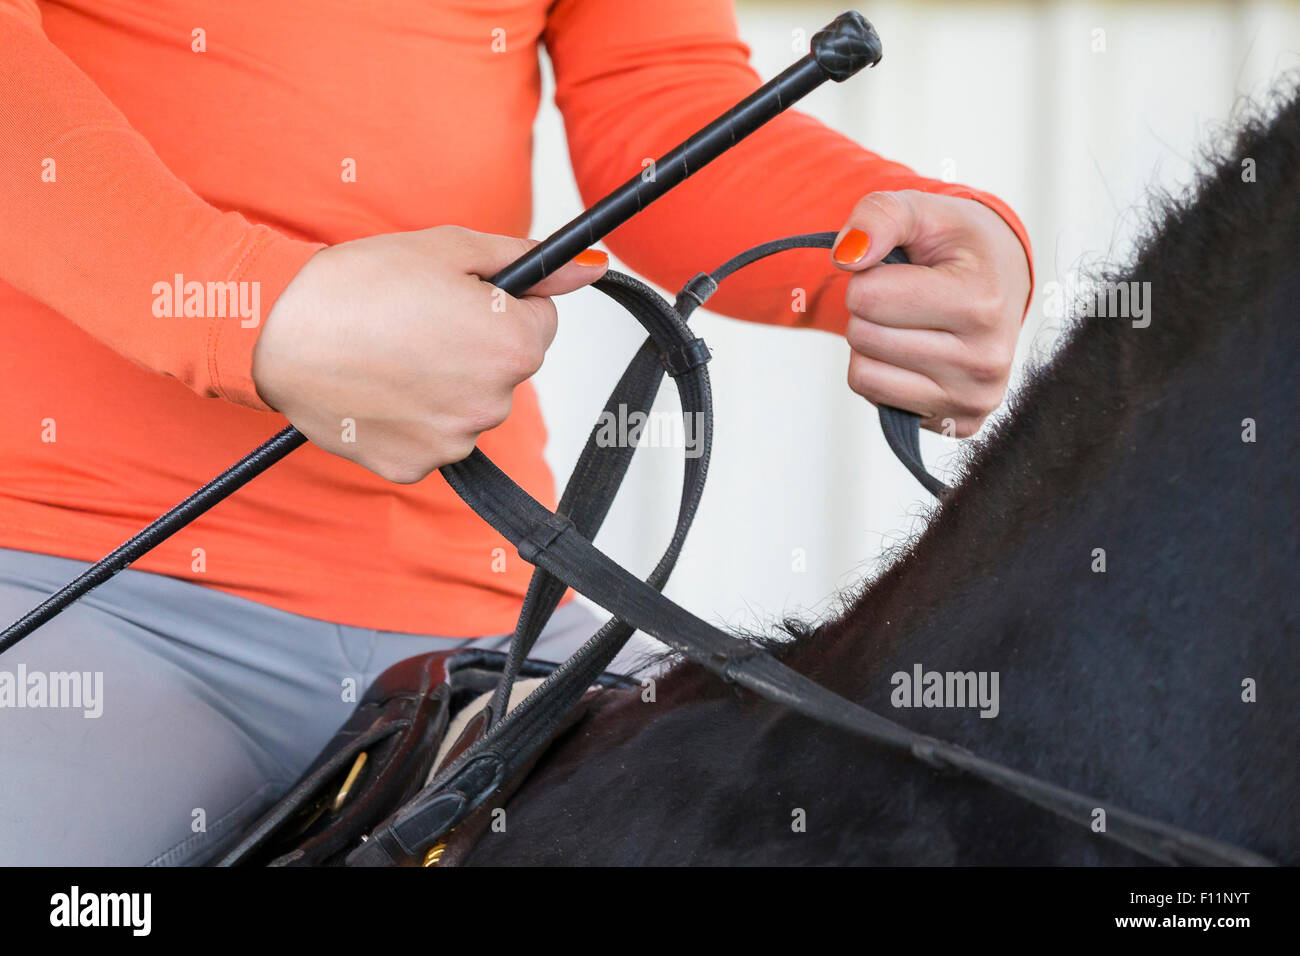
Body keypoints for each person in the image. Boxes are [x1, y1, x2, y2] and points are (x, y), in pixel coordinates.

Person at [0, 0, 1032, 865]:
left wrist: (900, 239)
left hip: (499, 624)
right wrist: (249, 309)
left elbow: (662, 93)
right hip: (75, 588)